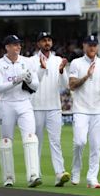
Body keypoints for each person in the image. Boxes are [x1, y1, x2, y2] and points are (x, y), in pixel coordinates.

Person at [0, 35, 42, 188]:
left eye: (19, 44)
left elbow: (35, 86)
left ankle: (33, 175)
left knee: (30, 137)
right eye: (14, 45)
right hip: (7, 104)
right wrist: (15, 81)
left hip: (24, 103)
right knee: (6, 141)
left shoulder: (27, 62)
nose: (18, 47)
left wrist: (27, 80)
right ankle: (8, 177)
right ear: (7, 47)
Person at [69, 35, 100, 188]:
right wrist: (86, 76)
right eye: (89, 45)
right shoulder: (76, 63)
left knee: (96, 146)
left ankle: (92, 178)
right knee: (80, 142)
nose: (92, 47)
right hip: (81, 108)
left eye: (94, 45)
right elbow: (72, 85)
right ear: (84, 46)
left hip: (98, 109)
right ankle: (76, 171)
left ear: (98, 47)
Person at [30, 32, 70, 187]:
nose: (46, 43)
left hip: (54, 107)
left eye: (48, 40)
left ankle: (59, 173)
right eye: (43, 40)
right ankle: (35, 174)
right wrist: (40, 69)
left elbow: (65, 85)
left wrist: (61, 71)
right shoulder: (31, 61)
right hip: (36, 107)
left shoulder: (58, 60)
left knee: (55, 142)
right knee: (36, 143)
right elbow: (32, 83)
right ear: (38, 43)